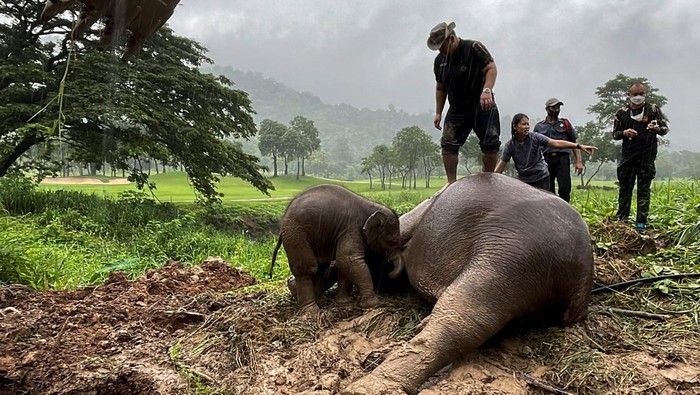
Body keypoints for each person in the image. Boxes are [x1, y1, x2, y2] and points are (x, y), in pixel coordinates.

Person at [427, 21, 501, 184]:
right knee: (448, 144)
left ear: (451, 39)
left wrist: (487, 90)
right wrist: (438, 112)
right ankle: (451, 183)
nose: (440, 51)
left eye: (442, 46)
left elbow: (491, 68)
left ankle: (489, 179)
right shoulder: (439, 61)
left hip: (482, 103)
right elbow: (440, 88)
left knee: (490, 143)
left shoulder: (474, 47)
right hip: (458, 107)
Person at [612, 82, 668, 233]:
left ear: (645, 94)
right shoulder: (621, 113)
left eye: (641, 93)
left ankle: (641, 225)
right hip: (628, 156)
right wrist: (624, 133)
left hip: (647, 156)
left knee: (644, 190)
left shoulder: (653, 110)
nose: (638, 97)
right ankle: (622, 222)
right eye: (635, 94)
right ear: (629, 95)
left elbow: (665, 129)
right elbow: (615, 134)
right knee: (625, 189)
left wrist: (656, 129)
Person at [495, 114, 596, 191]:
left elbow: (556, 143)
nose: (527, 127)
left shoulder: (535, 137)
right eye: (523, 124)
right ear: (515, 126)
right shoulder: (510, 145)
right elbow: (501, 165)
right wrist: (491, 179)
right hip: (524, 180)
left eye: (527, 124)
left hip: (541, 177)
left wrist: (578, 146)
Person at [533, 98, 582, 202]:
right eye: (553, 107)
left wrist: (579, 161)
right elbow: (534, 146)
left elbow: (574, 143)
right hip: (546, 160)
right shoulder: (539, 126)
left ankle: (565, 212)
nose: (556, 109)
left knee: (565, 188)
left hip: (562, 159)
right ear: (547, 109)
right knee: (547, 189)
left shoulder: (565, 123)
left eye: (558, 107)